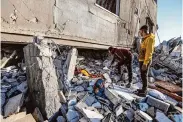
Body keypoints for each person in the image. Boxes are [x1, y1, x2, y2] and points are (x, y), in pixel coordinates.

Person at [136, 25, 155, 96]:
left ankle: (144, 92)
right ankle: (143, 89)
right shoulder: (145, 38)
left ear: (143, 31)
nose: (140, 33)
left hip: (145, 61)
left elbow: (149, 52)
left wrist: (145, 63)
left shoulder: (150, 39)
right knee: (142, 75)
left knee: (144, 75)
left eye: (140, 31)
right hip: (142, 60)